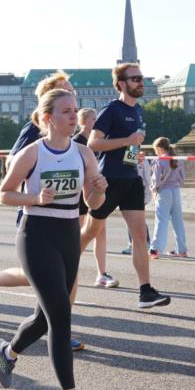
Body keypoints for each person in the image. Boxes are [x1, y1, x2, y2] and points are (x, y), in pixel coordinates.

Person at [0, 89, 108, 390]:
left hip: (68, 235)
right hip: (36, 235)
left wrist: (97, 190)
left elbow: (92, 204)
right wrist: (36, 199)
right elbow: (4, 195)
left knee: (45, 318)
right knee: (60, 313)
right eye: (66, 111)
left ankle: (7, 352)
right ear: (48, 118)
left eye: (75, 111)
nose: (74, 116)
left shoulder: (84, 153)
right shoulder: (32, 153)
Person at [0, 73, 89, 351]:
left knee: (62, 279)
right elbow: (14, 162)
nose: (73, 107)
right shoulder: (34, 130)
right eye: (65, 94)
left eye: (73, 98)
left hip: (69, 212)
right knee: (45, 277)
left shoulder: (73, 134)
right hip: (37, 213)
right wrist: (38, 185)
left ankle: (57, 325)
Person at [80, 62, 171, 308]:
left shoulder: (139, 110)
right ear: (122, 84)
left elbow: (130, 145)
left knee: (140, 235)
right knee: (89, 232)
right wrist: (126, 141)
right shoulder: (112, 110)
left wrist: (133, 152)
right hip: (109, 180)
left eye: (141, 78)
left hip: (131, 179)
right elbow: (93, 143)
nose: (141, 82)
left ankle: (146, 291)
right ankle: (62, 269)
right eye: (135, 79)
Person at [74, 109, 117, 287]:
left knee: (100, 232)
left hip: (96, 193)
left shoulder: (100, 142)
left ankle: (102, 273)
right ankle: (70, 269)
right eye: (94, 119)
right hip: (79, 195)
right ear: (83, 122)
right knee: (77, 235)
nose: (97, 122)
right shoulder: (76, 142)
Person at [149, 137, 188, 258]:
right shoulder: (177, 159)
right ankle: (181, 250)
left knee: (161, 221)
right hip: (175, 191)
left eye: (155, 149)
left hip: (164, 192)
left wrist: (153, 189)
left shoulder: (159, 160)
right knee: (178, 221)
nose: (155, 151)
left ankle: (155, 249)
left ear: (159, 148)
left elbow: (155, 180)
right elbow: (182, 179)